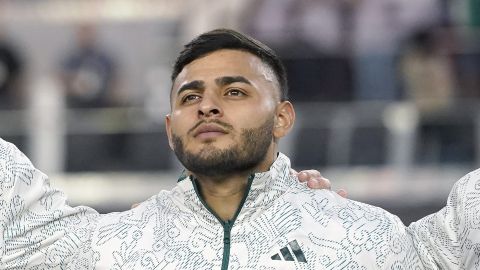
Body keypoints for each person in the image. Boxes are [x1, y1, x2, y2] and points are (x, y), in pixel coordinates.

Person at [0, 29, 476, 269]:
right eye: (190, 97)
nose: (206, 106)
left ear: (283, 117)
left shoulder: (368, 240)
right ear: (170, 129)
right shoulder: (106, 248)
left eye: (234, 92)